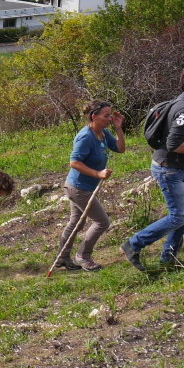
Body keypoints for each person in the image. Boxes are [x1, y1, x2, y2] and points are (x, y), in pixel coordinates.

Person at [122, 62, 184, 271]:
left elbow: (179, 138)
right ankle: (133, 244)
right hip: (168, 168)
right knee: (177, 216)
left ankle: (169, 259)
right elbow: (174, 145)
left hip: (176, 167)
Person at [53, 102, 125, 272]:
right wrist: (97, 174)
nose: (110, 119)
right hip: (78, 188)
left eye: (110, 115)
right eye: (106, 116)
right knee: (102, 221)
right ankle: (83, 256)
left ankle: (62, 258)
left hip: (83, 187)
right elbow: (74, 162)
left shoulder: (103, 133)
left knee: (76, 222)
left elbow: (120, 149)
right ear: (94, 116)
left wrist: (119, 129)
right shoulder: (86, 137)